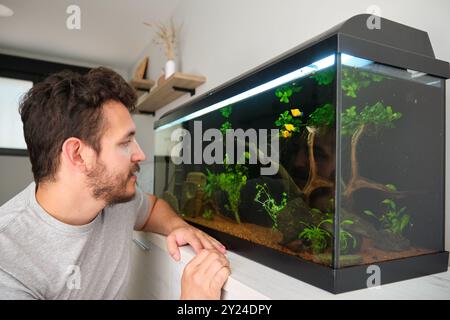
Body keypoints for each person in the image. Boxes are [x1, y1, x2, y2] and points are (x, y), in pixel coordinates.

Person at [0, 67, 230, 300]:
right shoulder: (8, 264)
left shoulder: (113, 198)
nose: (141, 154)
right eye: (125, 142)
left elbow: (151, 208)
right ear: (78, 154)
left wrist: (177, 226)